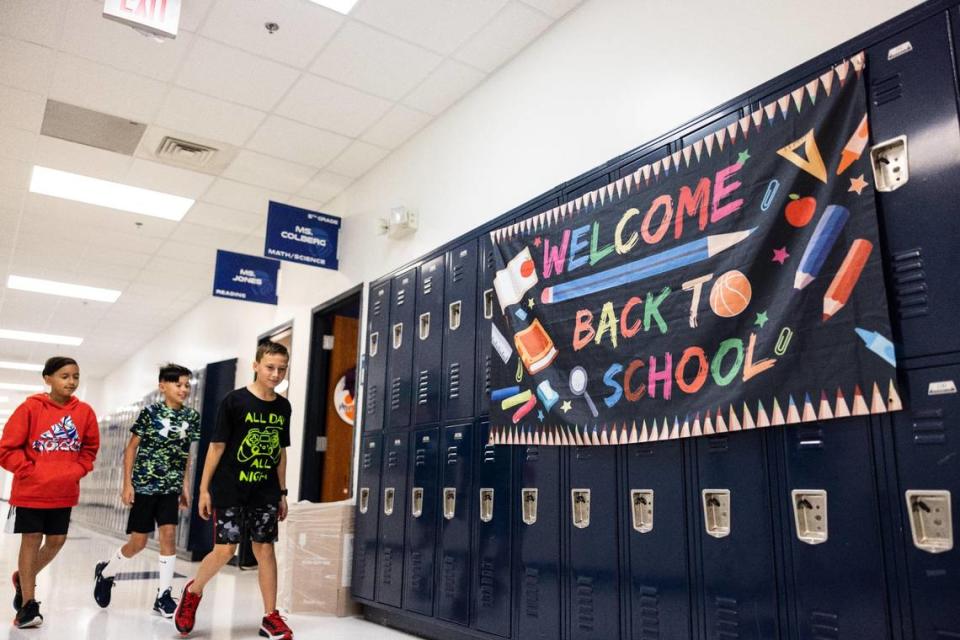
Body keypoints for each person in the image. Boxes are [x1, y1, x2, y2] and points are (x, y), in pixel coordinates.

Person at [174, 342, 293, 640]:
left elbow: (280, 451)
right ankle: (193, 591)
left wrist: (282, 492)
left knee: (264, 549)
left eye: (281, 369)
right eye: (270, 367)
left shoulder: (283, 406)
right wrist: (204, 489)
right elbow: (216, 447)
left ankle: (270, 616)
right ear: (255, 365)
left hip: (265, 490)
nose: (275, 374)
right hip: (230, 487)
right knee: (226, 549)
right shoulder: (234, 401)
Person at [92, 364, 200, 617]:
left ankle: (163, 595)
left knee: (169, 536)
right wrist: (127, 484)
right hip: (145, 485)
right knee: (138, 542)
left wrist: (184, 486)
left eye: (187, 385)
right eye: (178, 384)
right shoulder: (150, 413)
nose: (183, 389)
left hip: (169, 488)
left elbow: (185, 454)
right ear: (163, 386)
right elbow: (131, 449)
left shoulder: (191, 418)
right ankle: (107, 572)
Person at [0, 356, 100, 628]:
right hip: (30, 490)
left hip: (63, 490)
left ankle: (23, 578)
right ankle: (28, 605)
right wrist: (30, 471)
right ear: (48, 379)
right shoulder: (30, 409)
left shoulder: (85, 413)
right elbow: (7, 449)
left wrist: (76, 470)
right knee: (31, 539)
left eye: (75, 376)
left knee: (56, 541)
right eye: (64, 376)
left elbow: (89, 449)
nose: (71, 381)